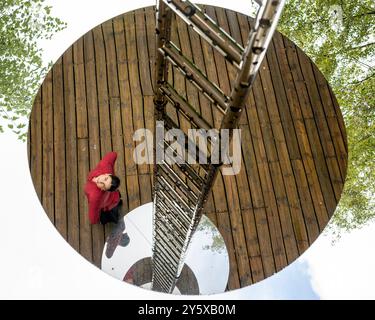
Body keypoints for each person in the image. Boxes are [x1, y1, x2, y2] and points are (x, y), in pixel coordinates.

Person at [84, 151, 122, 225]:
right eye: (105, 179)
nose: (100, 181)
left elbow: (93, 218)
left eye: (104, 185)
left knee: (110, 215)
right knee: (117, 201)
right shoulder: (106, 166)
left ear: (104, 190)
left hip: (109, 204)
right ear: (108, 174)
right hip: (114, 195)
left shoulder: (95, 197)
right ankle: (119, 201)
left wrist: (95, 220)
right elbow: (113, 155)